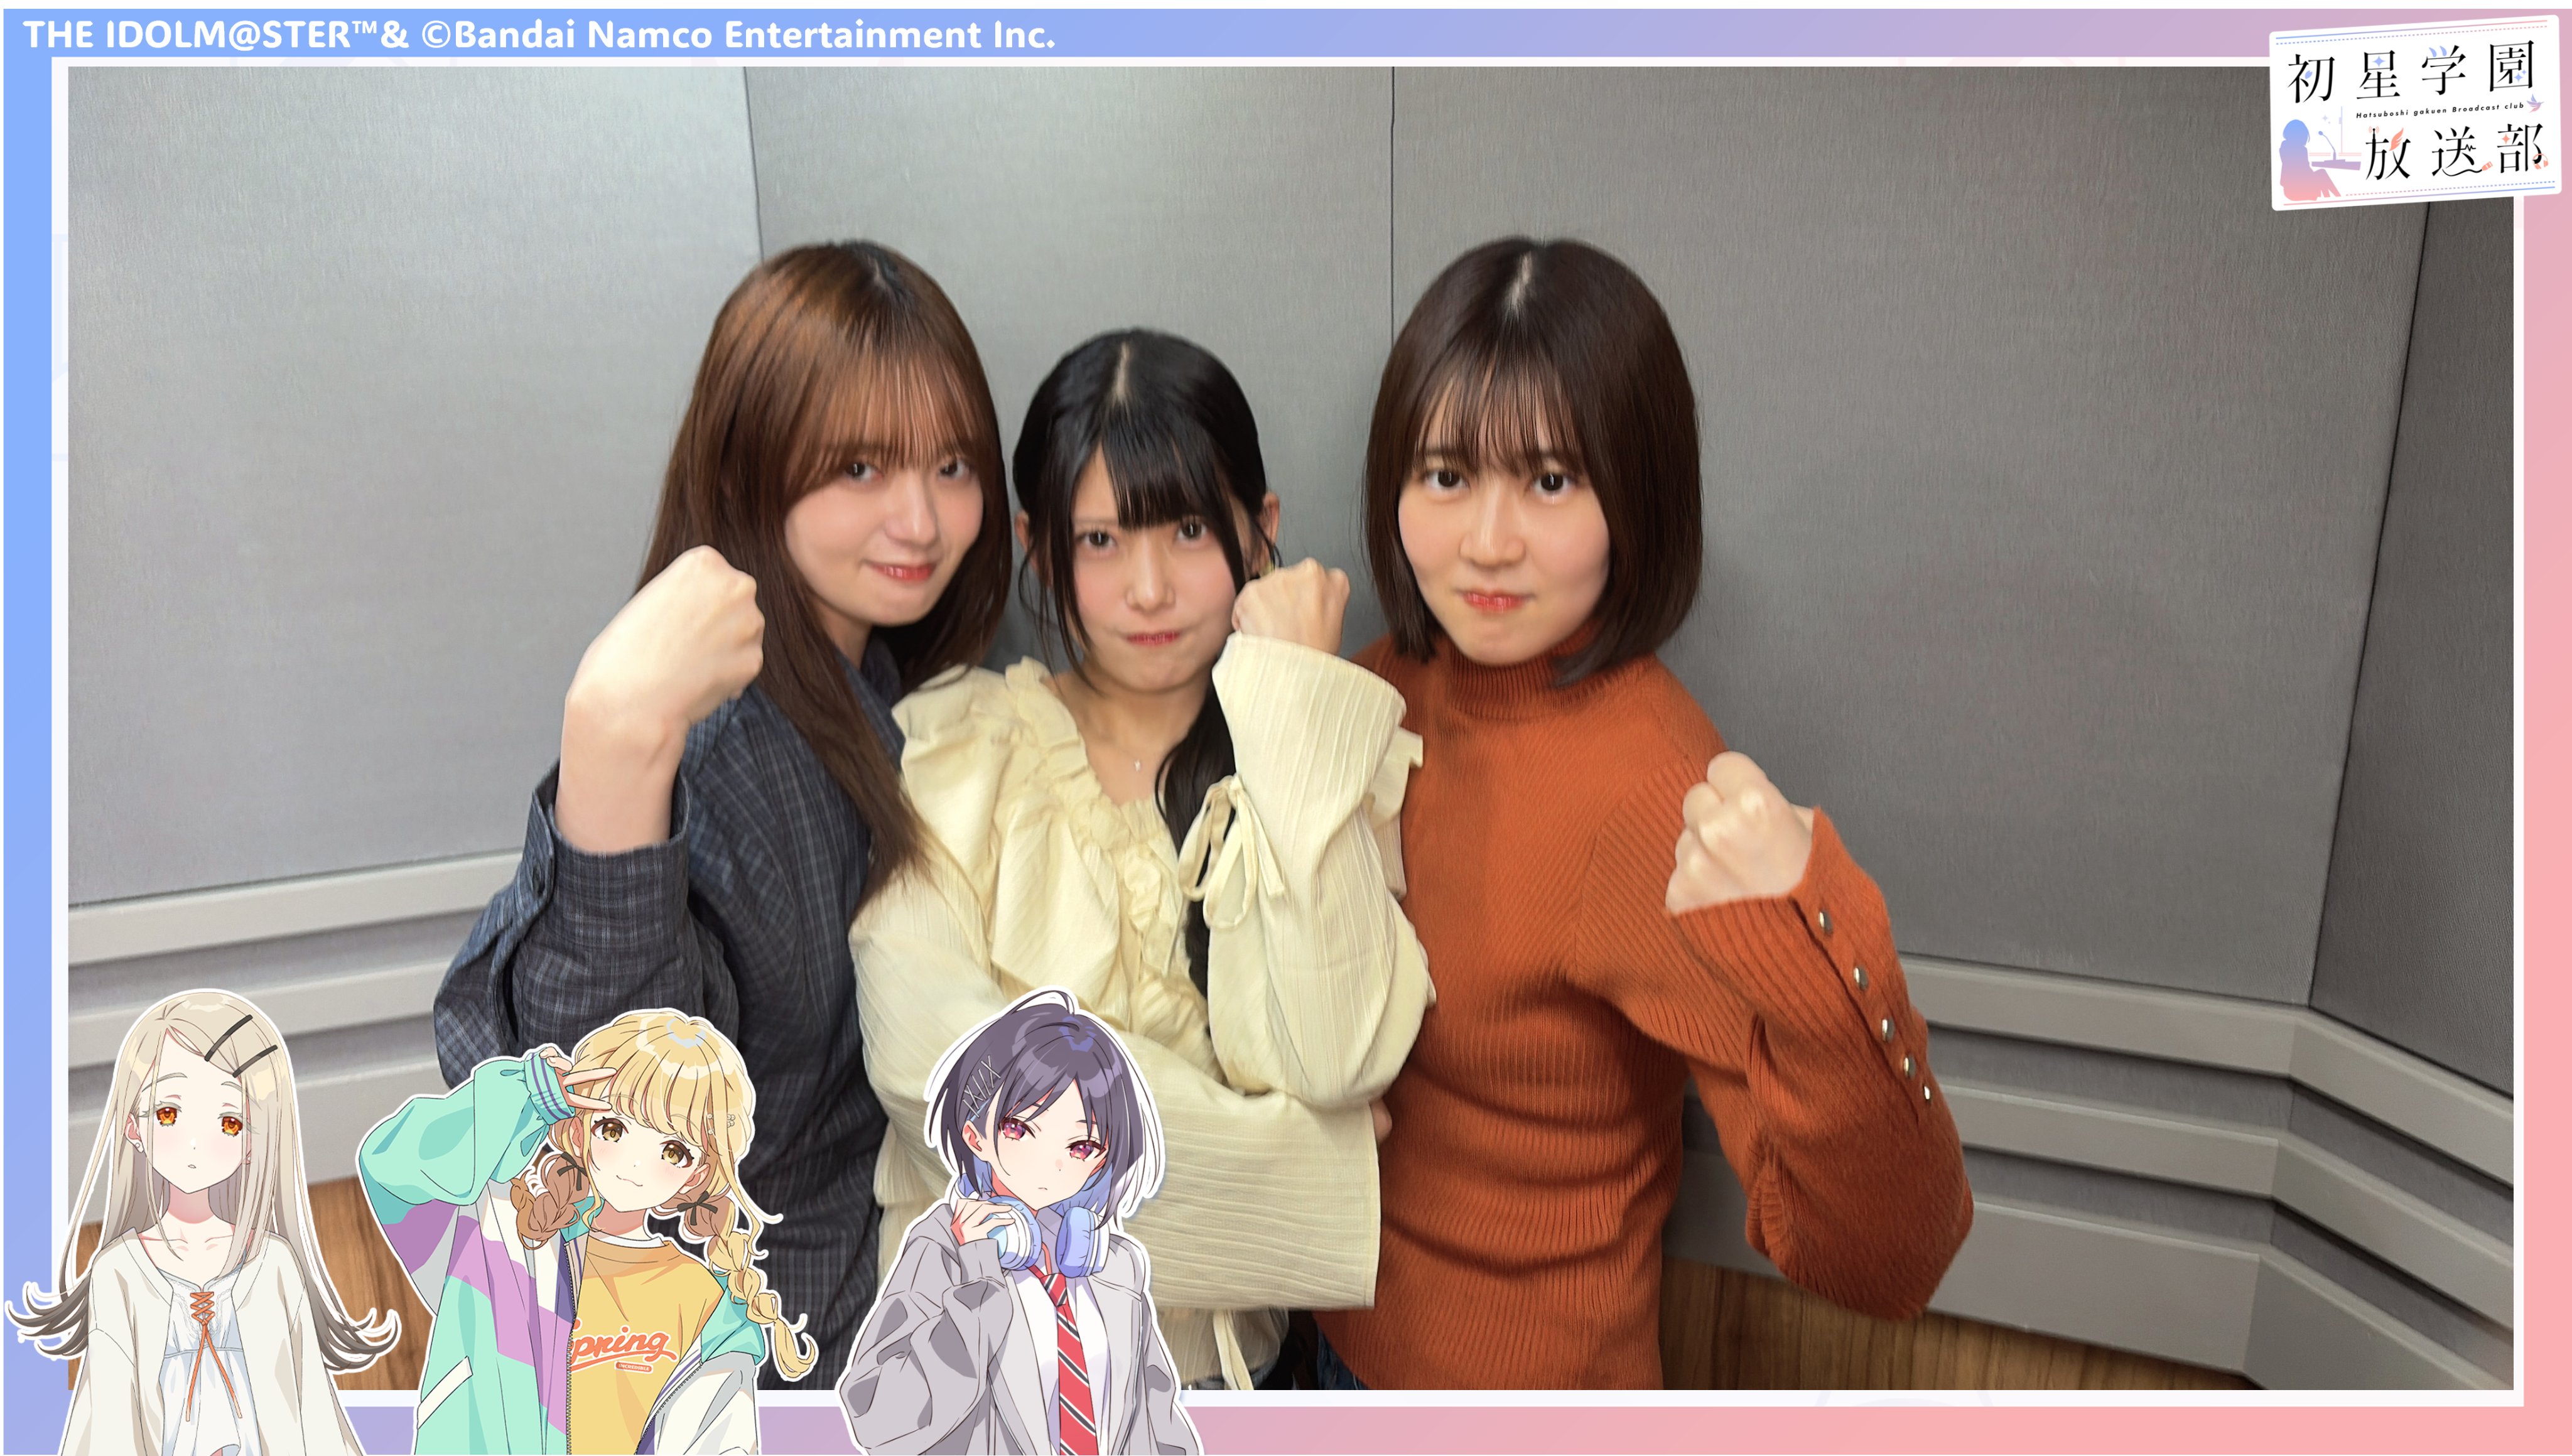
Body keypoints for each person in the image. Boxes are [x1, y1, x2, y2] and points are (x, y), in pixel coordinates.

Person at [1312, 237, 1974, 1388]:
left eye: (1551, 480)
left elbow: (1889, 1258)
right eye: (1447, 474)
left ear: (1638, 491)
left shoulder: (1651, 791)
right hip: (1315, 1343)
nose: (1488, 542)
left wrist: (1818, 935)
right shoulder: (1363, 695)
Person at [434, 240, 1014, 1385]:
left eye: (951, 465)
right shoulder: (720, 743)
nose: (921, 519)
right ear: (751, 467)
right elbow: (595, 1092)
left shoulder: (878, 687)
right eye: (859, 466)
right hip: (761, 1357)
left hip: (871, 1309)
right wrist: (615, 733)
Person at [851, 329, 1432, 1393]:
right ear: (1039, 547)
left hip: (1229, 1388)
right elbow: (937, 1080)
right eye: (1102, 540)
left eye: (1189, 529)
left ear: (1261, 530)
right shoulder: (955, 751)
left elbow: (1338, 1058)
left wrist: (1293, 695)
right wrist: (1318, 1171)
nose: (1150, 588)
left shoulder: (1315, 748)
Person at [360, 1010, 813, 1453]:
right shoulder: (499, 1234)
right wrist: (525, 1097)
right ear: (579, 1132)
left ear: (697, 1174)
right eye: (614, 1129)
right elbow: (392, 1167)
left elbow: (720, 1442)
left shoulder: (707, 1304)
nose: (636, 1163)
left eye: (673, 1150)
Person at [10, 990, 393, 1455]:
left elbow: (315, 1414)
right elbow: (111, 1425)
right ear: (134, 1127)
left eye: (231, 1122)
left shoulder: (274, 1264)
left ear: (255, 1141)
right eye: (168, 1113)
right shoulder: (118, 1273)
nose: (195, 1143)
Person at [840, 990, 1199, 1455]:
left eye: (1081, 1147)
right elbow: (878, 1417)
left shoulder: (1114, 1264)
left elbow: (1159, 1431)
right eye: (1021, 1129)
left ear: (1105, 1158)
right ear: (976, 1136)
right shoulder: (945, 1249)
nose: (1051, 1164)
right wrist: (977, 1289)